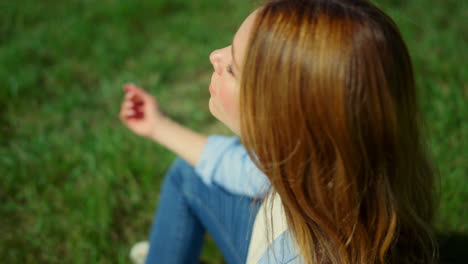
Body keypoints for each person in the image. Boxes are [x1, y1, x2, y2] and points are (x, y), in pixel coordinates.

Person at [119, 0, 438, 263]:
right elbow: (250, 171)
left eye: (232, 68)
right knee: (188, 171)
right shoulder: (333, 168)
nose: (215, 56)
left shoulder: (288, 257)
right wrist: (157, 126)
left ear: (281, 124)